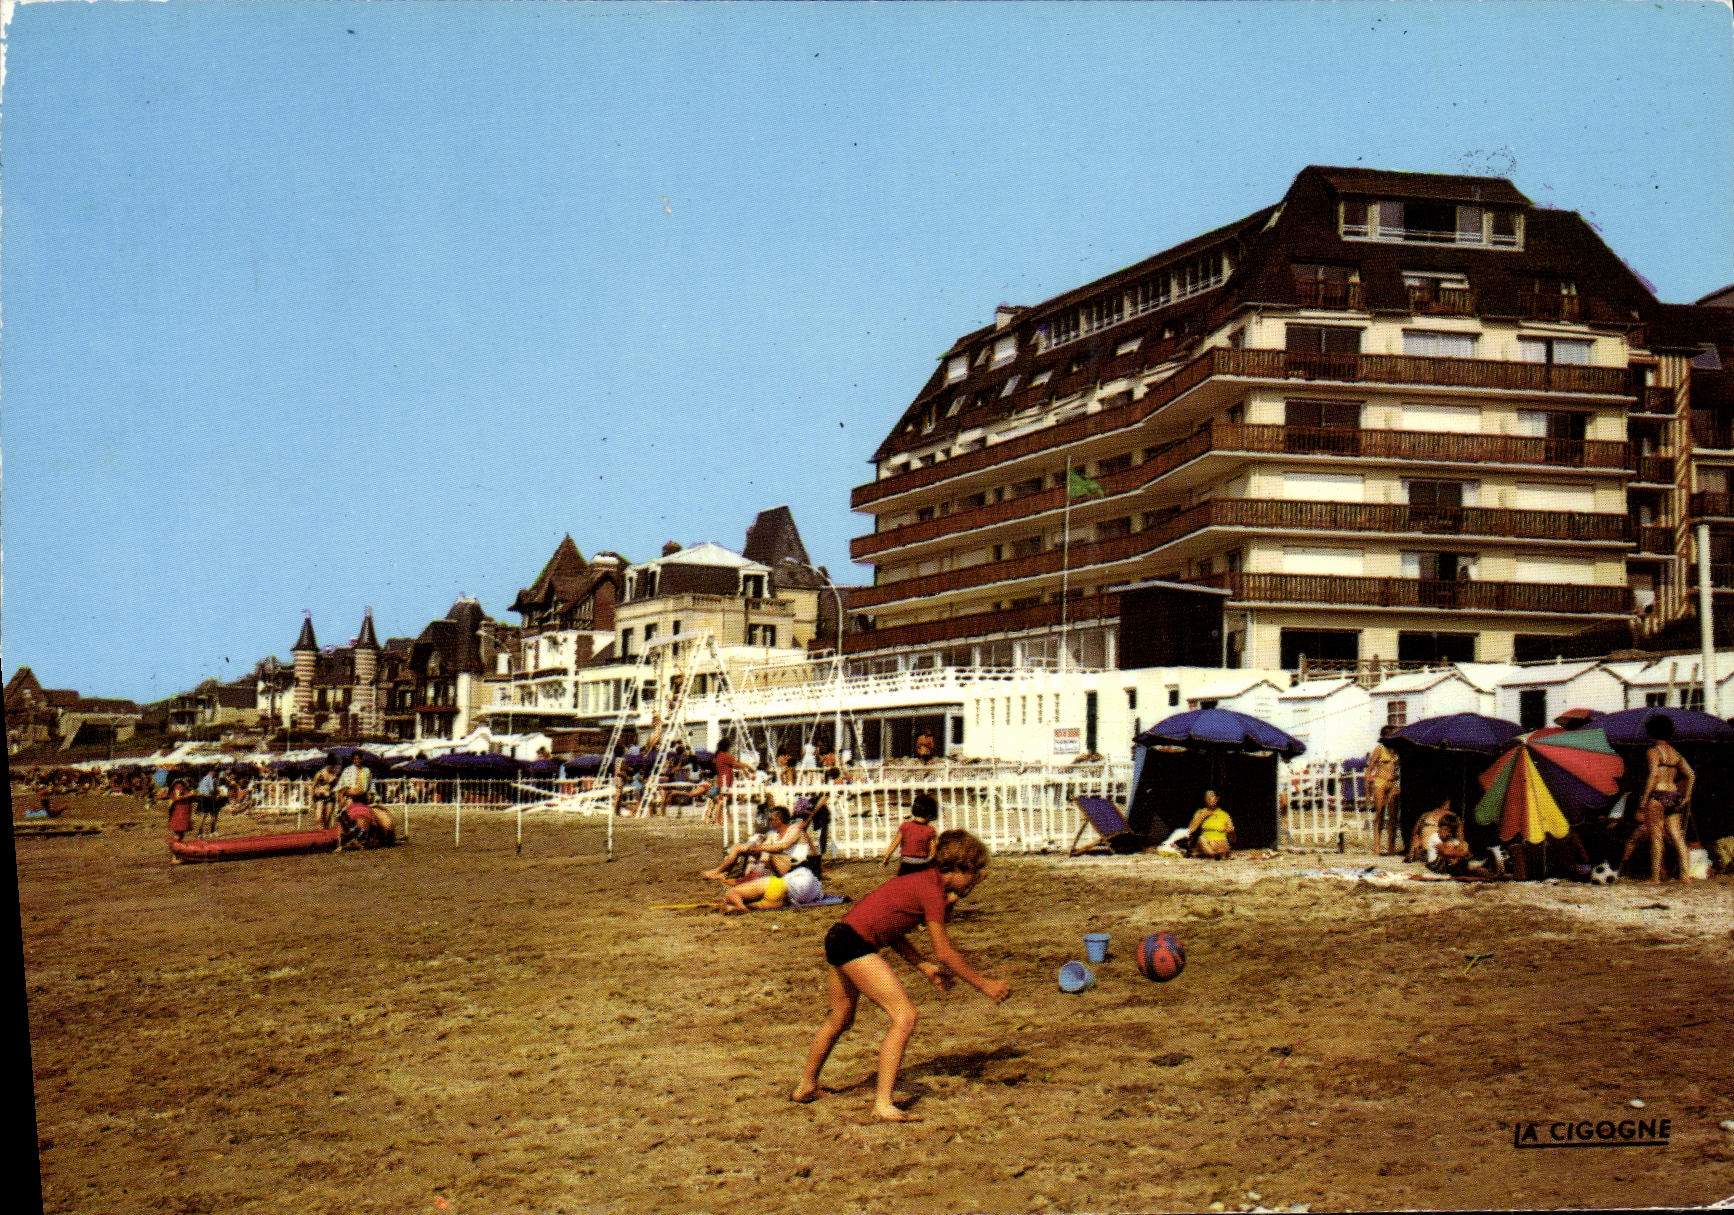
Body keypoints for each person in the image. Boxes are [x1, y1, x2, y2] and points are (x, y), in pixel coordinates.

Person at [791, 828, 1010, 1121]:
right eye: (974, 872)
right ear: (957, 868)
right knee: (905, 1017)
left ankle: (806, 1086)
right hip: (854, 943)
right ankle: (883, 1104)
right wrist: (985, 984)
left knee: (840, 1018)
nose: (976, 879)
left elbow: (891, 931)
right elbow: (944, 952)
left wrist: (923, 966)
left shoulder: (924, 883)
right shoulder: (931, 890)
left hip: (840, 936)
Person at [1621, 715, 1696, 882]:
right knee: (1677, 837)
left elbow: (1653, 775)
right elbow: (1690, 774)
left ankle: (1655, 877)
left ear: (1651, 733)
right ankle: (1685, 876)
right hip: (1675, 795)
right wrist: (1687, 796)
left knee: (1656, 837)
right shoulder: (1675, 753)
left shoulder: (1653, 752)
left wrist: (1644, 798)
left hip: (1658, 795)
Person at [720, 863, 823, 914]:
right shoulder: (818, 891)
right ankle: (737, 907)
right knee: (750, 904)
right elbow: (816, 897)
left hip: (778, 885)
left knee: (732, 893)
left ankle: (740, 907)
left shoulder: (803, 871)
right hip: (784, 901)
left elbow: (785, 877)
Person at [882, 793, 939, 876]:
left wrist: (886, 858)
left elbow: (895, 843)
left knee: (904, 886)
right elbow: (933, 852)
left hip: (906, 864)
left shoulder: (905, 826)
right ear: (931, 814)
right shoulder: (930, 830)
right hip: (922, 864)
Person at [1367, 726, 1402, 856]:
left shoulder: (1397, 750)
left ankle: (1390, 848)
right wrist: (1367, 792)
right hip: (1380, 781)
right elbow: (1369, 770)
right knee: (1380, 814)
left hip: (1393, 782)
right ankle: (1377, 847)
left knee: (1393, 816)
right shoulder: (1379, 749)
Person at [1186, 790, 1236, 858]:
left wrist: (1231, 832)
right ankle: (1214, 855)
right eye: (1207, 797)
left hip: (1220, 843)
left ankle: (1214, 854)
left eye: (1212, 796)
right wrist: (1202, 816)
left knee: (1224, 845)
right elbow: (1190, 830)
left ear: (1217, 799)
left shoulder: (1225, 815)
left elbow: (1233, 839)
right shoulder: (1201, 812)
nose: (1209, 799)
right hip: (1205, 843)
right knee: (1201, 839)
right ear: (1205, 799)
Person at [310, 759, 341, 829]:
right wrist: (312, 799)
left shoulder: (334, 775)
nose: (331, 767)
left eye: (332, 766)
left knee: (327, 818)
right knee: (319, 818)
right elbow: (313, 786)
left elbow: (337, 787)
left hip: (330, 797)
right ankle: (321, 832)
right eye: (329, 765)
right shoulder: (320, 774)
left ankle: (325, 834)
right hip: (320, 796)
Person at [166, 777, 197, 847]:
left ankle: (177, 853)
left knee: (180, 834)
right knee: (178, 834)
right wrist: (190, 794)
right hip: (180, 813)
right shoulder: (178, 786)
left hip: (183, 812)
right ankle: (175, 853)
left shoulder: (182, 786)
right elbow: (177, 797)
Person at [195, 768, 223, 838]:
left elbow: (198, 790)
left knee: (203, 816)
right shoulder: (210, 778)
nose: (215, 774)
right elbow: (211, 790)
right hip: (209, 798)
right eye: (215, 773)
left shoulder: (204, 779)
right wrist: (217, 792)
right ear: (212, 772)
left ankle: (200, 833)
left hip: (202, 798)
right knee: (213, 815)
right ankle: (212, 831)